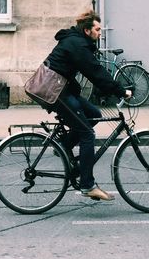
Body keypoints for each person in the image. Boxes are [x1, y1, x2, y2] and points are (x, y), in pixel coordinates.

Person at [42, 10, 131, 201]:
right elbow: (95, 72)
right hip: (54, 92)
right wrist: (120, 91)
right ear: (87, 30)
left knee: (94, 113)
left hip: (61, 89)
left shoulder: (78, 42)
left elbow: (94, 71)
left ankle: (63, 145)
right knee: (87, 134)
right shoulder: (77, 45)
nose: (100, 33)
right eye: (97, 29)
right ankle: (87, 185)